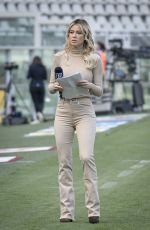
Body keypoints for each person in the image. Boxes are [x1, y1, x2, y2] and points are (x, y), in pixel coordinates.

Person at [48, 19, 103, 224]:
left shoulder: (94, 59)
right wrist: (55, 87)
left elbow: (99, 91)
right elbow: (50, 85)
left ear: (85, 36)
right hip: (62, 111)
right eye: (71, 32)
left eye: (79, 32)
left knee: (86, 156)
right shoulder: (59, 57)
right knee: (64, 162)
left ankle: (93, 210)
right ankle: (66, 213)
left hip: (85, 110)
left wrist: (88, 84)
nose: (74, 36)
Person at [27, 56, 47, 123]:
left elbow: (28, 76)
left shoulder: (31, 66)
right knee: (41, 101)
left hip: (33, 85)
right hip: (41, 85)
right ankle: (40, 113)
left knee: (35, 101)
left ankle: (38, 114)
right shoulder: (43, 67)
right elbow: (45, 77)